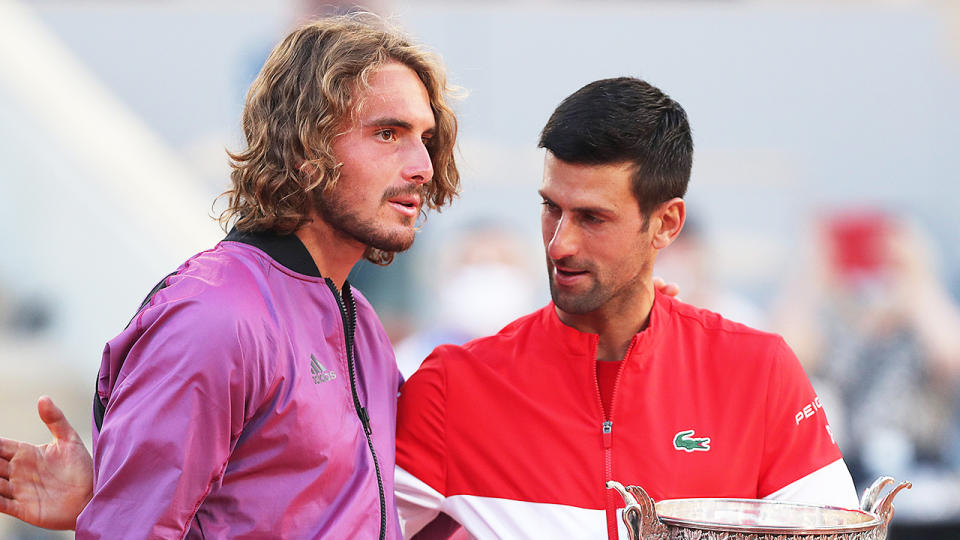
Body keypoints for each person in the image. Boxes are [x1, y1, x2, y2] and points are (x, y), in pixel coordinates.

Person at [1, 14, 460, 539]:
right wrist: (113, 504)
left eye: (425, 137)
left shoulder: (364, 325)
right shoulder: (215, 317)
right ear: (306, 151)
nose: (422, 164)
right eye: (387, 134)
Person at [393, 77, 859, 539]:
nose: (560, 244)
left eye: (593, 218)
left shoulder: (759, 371)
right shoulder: (453, 387)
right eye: (551, 208)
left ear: (666, 224)